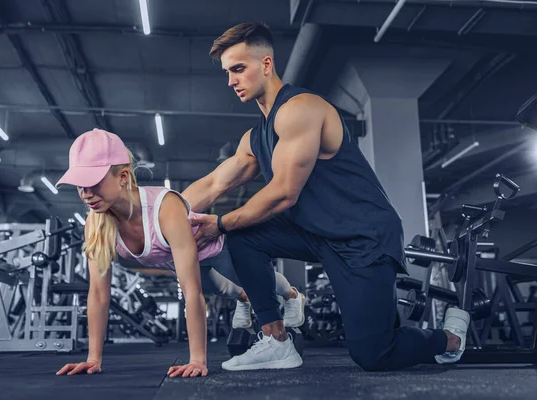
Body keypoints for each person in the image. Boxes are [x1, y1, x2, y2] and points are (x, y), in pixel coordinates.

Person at [181, 22, 471, 372]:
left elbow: (284, 193)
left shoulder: (301, 109)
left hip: (362, 237)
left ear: (267, 64)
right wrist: (157, 216)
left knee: (374, 353)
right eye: (228, 72)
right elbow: (213, 185)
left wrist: (219, 222)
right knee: (242, 236)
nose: (231, 80)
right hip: (317, 235)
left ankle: (450, 337)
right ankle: (275, 340)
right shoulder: (254, 138)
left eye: (239, 69)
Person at [53, 128, 306, 378]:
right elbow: (98, 294)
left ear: (123, 176)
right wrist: (93, 358)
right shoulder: (96, 224)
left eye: (93, 183)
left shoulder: (165, 208)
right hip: (179, 261)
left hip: (213, 248)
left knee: (257, 282)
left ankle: (293, 295)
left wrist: (197, 360)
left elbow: (191, 291)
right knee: (227, 290)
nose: (86, 194)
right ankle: (244, 299)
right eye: (79, 186)